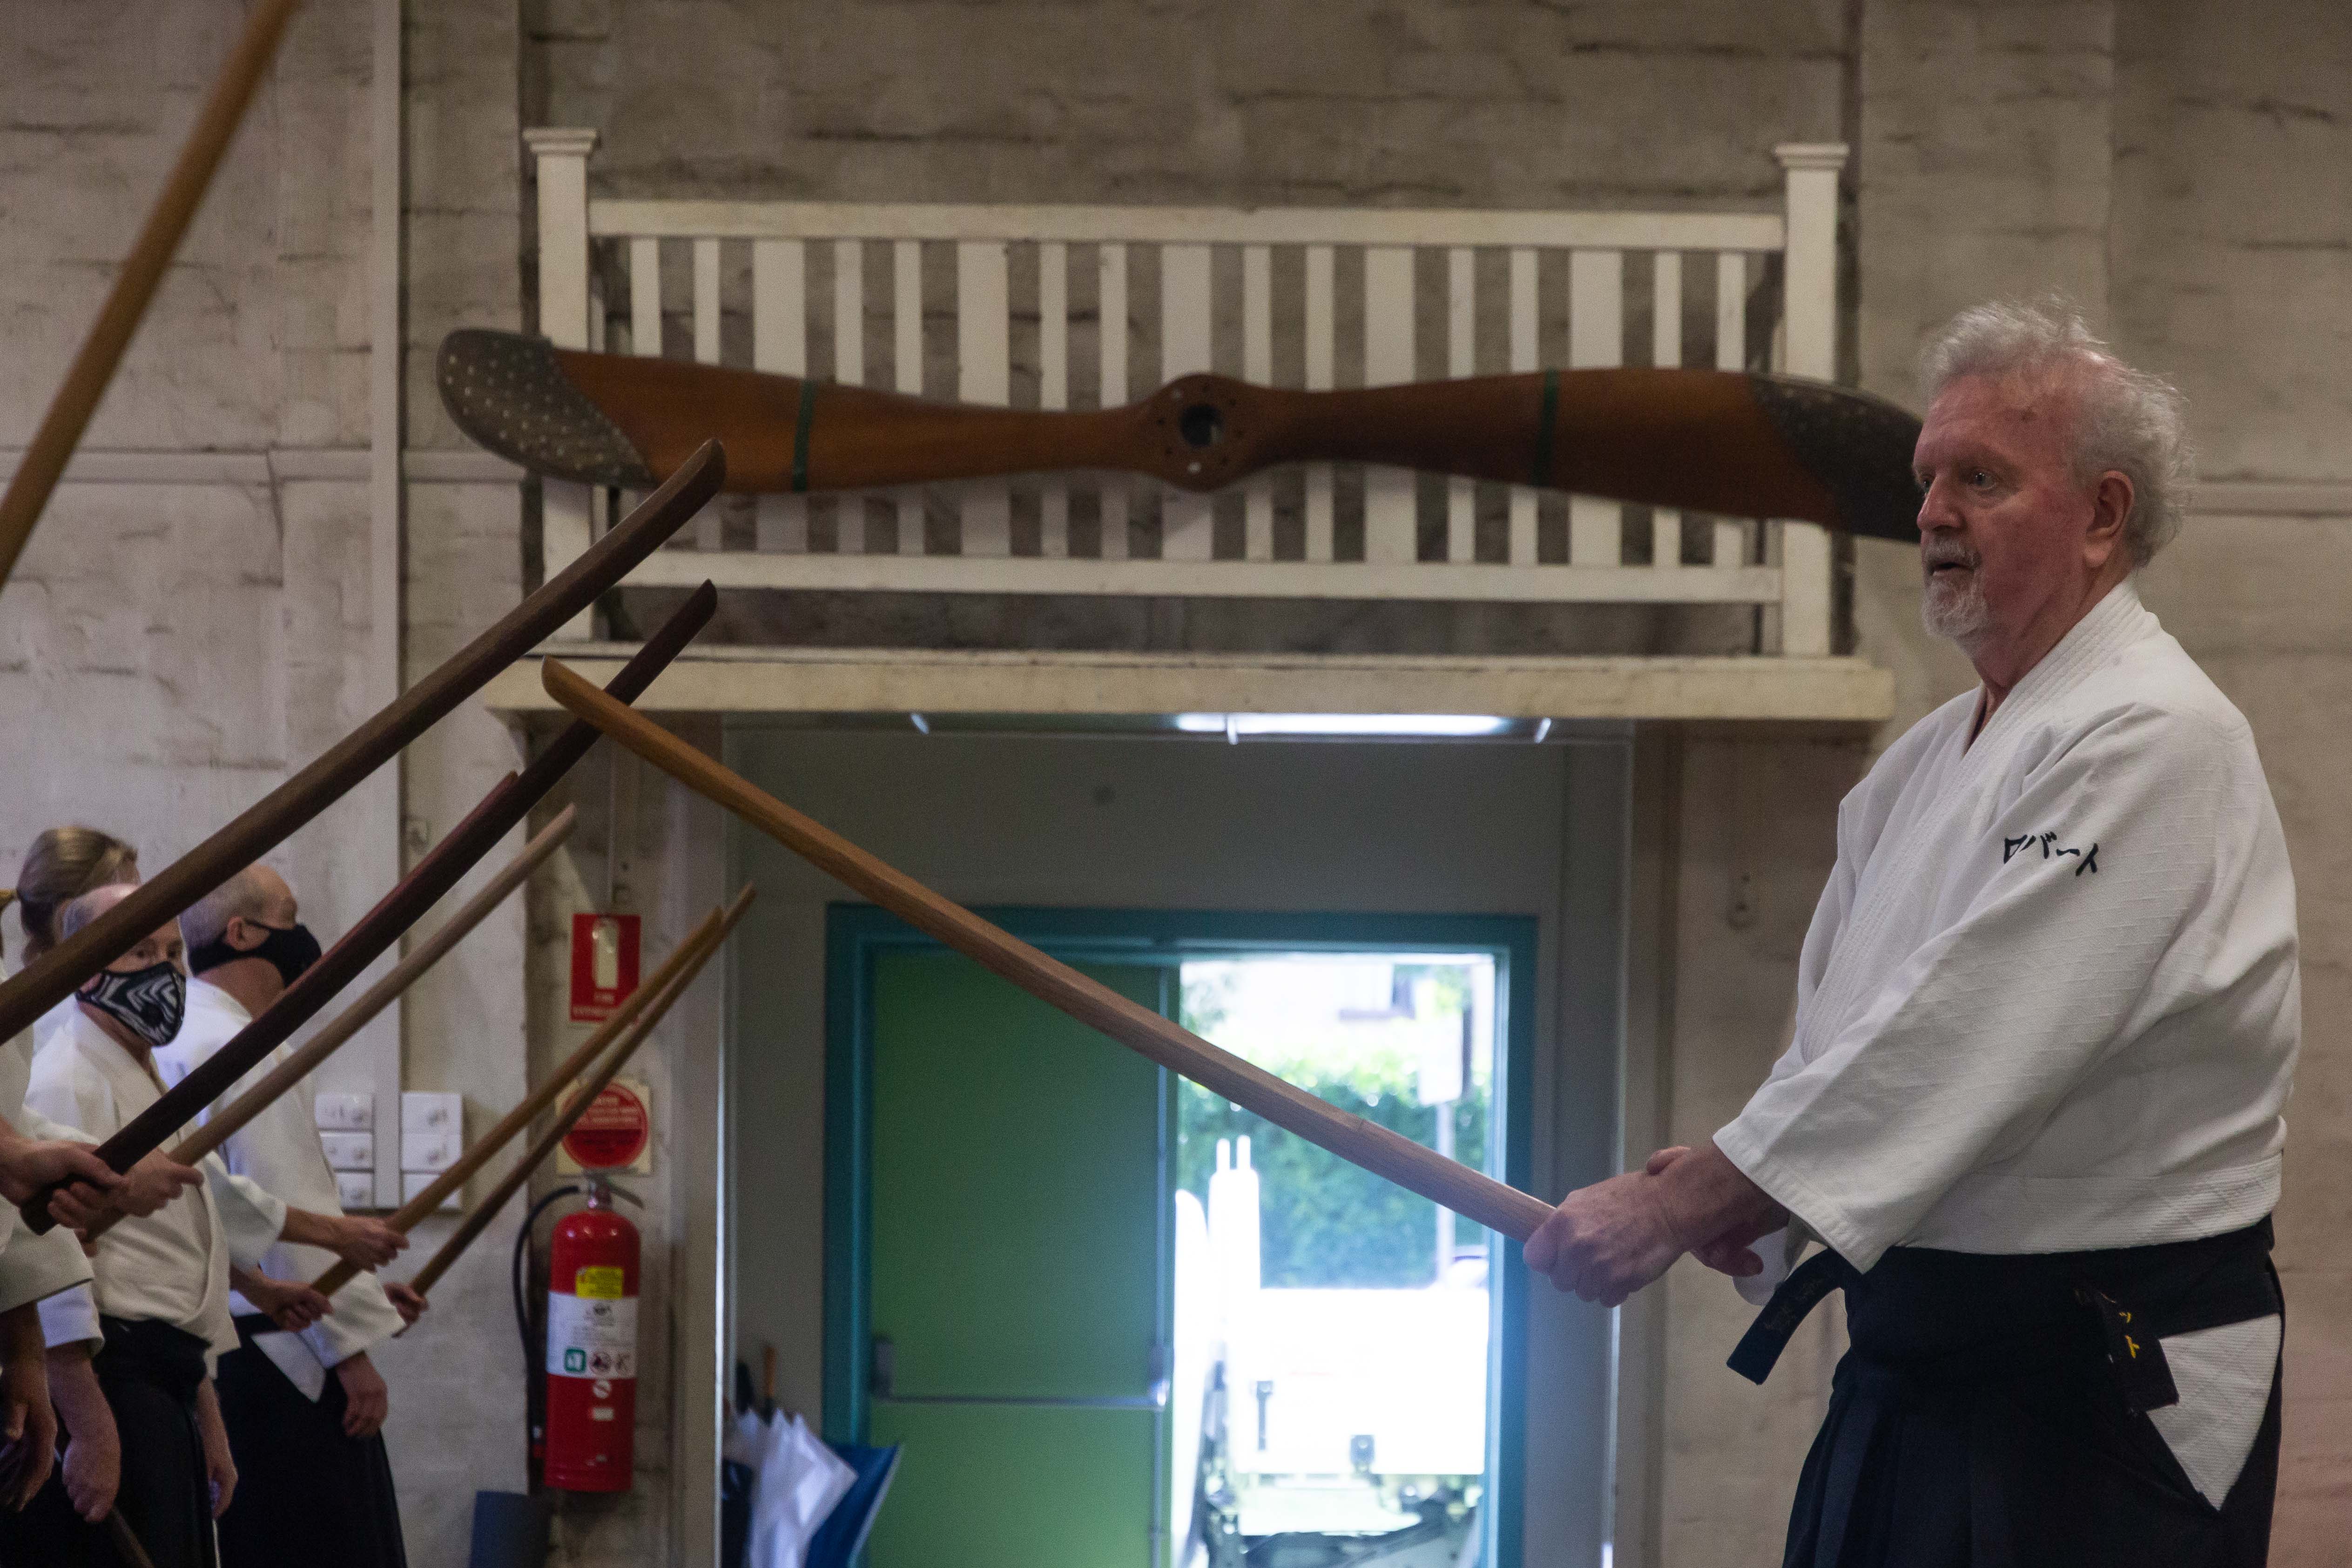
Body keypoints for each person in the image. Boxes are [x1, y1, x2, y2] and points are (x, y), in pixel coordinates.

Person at [1524, 301, 2296, 1567]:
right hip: (1920, 1355)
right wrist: (1751, 1192)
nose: (1931, 512)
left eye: (1979, 479)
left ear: (2101, 516)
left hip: (2106, 1378)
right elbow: (1849, 1037)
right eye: (1926, 478)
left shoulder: (2160, 737)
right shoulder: (1922, 765)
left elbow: (1970, 1030)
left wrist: (1697, 1194)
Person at [8, 886, 403, 1568]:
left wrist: (206, 1404)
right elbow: (49, 1252)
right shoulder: (63, 1076)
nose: (164, 971)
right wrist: (88, 1416)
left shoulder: (145, 1075)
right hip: (116, 1371)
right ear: (89, 969)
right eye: (141, 952)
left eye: (173, 952)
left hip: (168, 1373)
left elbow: (201, 1232)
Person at [158, 865, 423, 1568]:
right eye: (288, 914)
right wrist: (351, 1353)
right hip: (282, 1362)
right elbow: (278, 1202)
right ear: (241, 933)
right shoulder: (235, 1047)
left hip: (232, 1350)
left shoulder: (179, 1034)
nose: (301, 934)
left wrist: (369, 1301)